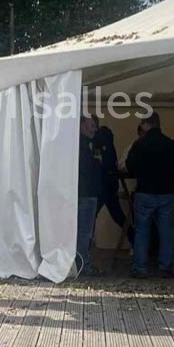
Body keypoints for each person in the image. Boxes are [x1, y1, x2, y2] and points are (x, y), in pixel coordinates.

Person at [124, 112, 174, 278]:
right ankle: (165, 267)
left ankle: (140, 268)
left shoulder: (140, 144)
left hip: (145, 192)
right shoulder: (170, 144)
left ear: (146, 124)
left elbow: (130, 166)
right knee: (165, 231)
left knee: (142, 231)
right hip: (166, 192)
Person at [76, 115, 103, 276]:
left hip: (83, 193)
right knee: (85, 232)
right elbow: (90, 170)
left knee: (82, 231)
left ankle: (81, 263)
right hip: (87, 193)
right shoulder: (86, 147)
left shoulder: (80, 145)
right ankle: (83, 266)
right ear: (82, 126)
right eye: (91, 125)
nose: (95, 128)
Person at [92, 122, 127, 230]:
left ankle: (88, 241)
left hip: (102, 186)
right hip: (111, 184)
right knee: (118, 216)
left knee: (91, 215)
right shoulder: (108, 143)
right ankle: (133, 237)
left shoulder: (97, 141)